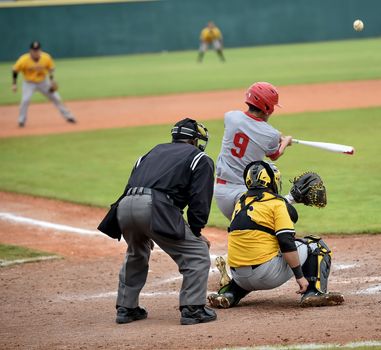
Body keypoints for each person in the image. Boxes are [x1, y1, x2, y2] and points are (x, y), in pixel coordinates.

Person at [98, 118, 217, 325]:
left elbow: (132, 186)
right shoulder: (199, 158)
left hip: (124, 206)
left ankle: (126, 308)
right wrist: (196, 230)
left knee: (136, 252)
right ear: (194, 140)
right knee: (197, 253)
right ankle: (193, 309)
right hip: (154, 206)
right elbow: (200, 199)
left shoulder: (149, 153)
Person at [208, 160, 345, 308]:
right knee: (315, 245)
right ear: (272, 181)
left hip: (238, 276)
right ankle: (314, 292)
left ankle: (230, 293)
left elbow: (270, 207)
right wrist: (300, 276)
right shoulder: (276, 204)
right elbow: (286, 242)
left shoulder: (240, 202)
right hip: (266, 276)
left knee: (252, 251)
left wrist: (290, 198)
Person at [214, 81, 293, 220]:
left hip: (220, 192)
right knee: (266, 230)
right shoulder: (270, 134)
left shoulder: (231, 117)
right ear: (268, 107)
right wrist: (285, 141)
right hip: (246, 194)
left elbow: (249, 129)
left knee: (239, 231)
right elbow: (274, 155)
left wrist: (275, 136)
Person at [11, 41, 76, 128]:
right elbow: (15, 70)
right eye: (34, 50)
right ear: (30, 51)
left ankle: (69, 117)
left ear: (40, 50)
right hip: (29, 83)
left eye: (37, 50)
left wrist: (52, 80)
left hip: (43, 82)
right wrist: (14, 84)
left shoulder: (46, 57)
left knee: (56, 98)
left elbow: (51, 69)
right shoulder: (23, 59)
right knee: (25, 100)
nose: (36, 52)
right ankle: (21, 121)